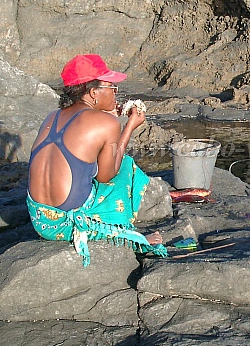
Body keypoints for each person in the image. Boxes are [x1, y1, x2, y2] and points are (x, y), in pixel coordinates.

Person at [26, 54, 168, 266]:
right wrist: (128, 127)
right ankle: (126, 234)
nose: (114, 92)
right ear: (93, 92)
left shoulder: (52, 116)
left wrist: (108, 115)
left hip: (41, 220)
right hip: (68, 223)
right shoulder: (106, 123)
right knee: (126, 167)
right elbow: (107, 175)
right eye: (111, 87)